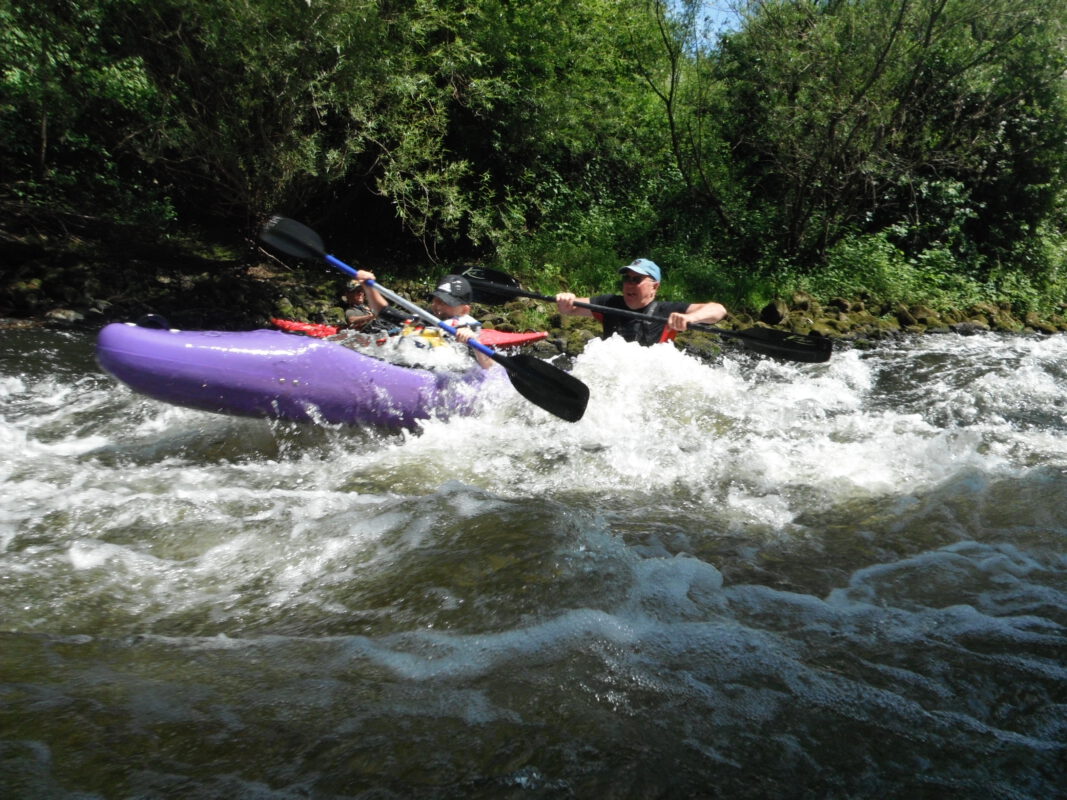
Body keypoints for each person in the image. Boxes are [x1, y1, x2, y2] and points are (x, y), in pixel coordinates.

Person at [555, 258, 727, 346]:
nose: (629, 284)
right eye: (627, 279)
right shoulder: (608, 303)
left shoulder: (667, 310)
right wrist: (566, 300)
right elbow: (571, 308)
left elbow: (718, 310)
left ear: (655, 287)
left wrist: (691, 318)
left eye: (637, 279)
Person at [352, 270, 495, 369]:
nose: (438, 306)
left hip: (443, 375)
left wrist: (475, 344)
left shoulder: (467, 330)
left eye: (446, 302)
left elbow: (487, 367)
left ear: (464, 310)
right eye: (437, 300)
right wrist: (368, 287)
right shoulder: (425, 319)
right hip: (406, 364)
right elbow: (383, 311)